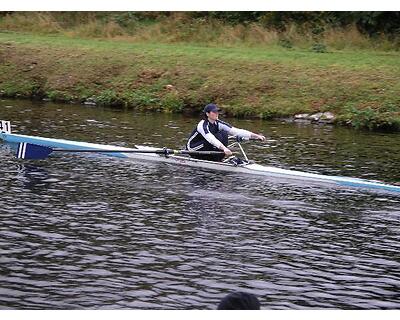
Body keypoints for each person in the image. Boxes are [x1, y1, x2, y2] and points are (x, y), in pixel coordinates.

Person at [186, 103, 265, 162]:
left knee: (224, 133)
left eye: (217, 111)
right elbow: (211, 139)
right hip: (193, 148)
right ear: (207, 114)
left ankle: (217, 159)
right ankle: (214, 159)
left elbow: (236, 131)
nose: (217, 113)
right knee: (216, 137)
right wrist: (224, 148)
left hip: (205, 146)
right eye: (214, 112)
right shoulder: (202, 125)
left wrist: (256, 136)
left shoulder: (219, 123)